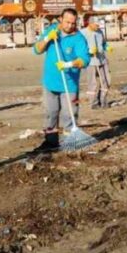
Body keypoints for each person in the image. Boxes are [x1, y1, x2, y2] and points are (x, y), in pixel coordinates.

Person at [33, 8, 91, 148]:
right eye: (67, 22)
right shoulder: (52, 30)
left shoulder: (79, 38)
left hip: (69, 85)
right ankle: (50, 142)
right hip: (50, 82)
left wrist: (68, 64)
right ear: (60, 19)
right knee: (50, 113)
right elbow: (37, 49)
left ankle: (70, 143)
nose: (70, 26)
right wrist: (47, 38)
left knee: (69, 115)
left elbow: (84, 60)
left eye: (73, 23)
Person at [82, 19, 112, 109]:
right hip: (91, 62)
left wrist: (107, 47)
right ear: (90, 24)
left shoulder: (100, 32)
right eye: (96, 25)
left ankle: (103, 101)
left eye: (99, 25)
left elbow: (103, 43)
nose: (98, 27)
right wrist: (89, 51)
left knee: (106, 80)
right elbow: (79, 48)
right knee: (92, 83)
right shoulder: (82, 33)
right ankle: (94, 103)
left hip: (102, 60)